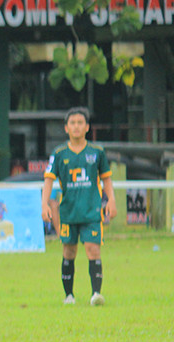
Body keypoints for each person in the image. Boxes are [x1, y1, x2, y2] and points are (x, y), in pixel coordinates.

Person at [41, 107, 117, 306]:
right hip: (68, 212)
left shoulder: (97, 152)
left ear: (87, 127)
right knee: (69, 251)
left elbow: (106, 180)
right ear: (66, 128)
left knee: (93, 249)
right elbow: (48, 180)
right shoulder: (59, 153)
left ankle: (96, 294)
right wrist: (45, 205)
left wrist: (112, 201)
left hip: (91, 210)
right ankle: (69, 296)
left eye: (80, 123)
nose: (76, 126)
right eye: (72, 123)